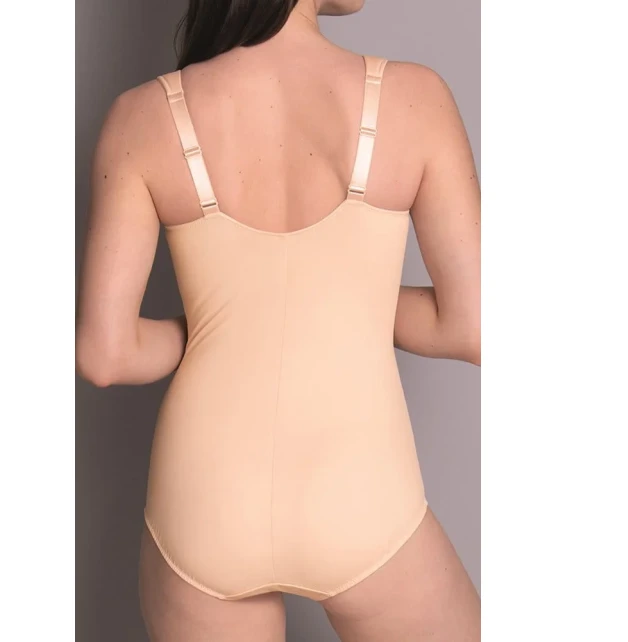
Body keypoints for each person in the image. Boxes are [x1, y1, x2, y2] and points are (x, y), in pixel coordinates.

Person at [75, 0, 481, 639]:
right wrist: (352, 297)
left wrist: (222, 317)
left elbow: (106, 355)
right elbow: (472, 326)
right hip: (360, 490)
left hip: (204, 502)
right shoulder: (415, 98)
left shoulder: (142, 116)